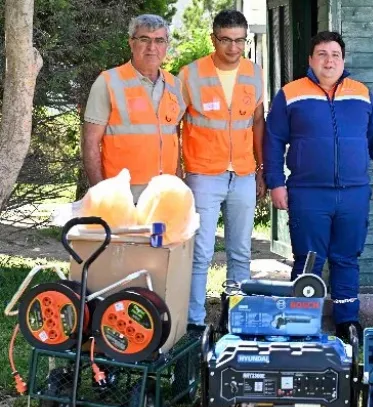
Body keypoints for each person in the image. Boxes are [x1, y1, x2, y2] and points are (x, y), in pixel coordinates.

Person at [264, 31, 373, 344]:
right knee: (308, 259)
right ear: (310, 60)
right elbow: (272, 141)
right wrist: (275, 183)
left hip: (353, 192)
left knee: (347, 257)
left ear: (343, 60)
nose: (329, 60)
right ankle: (301, 320)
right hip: (308, 193)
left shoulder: (361, 93)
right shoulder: (291, 94)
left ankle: (347, 321)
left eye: (335, 54)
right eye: (322, 54)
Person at [178, 10, 266, 331]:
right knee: (200, 253)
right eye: (226, 40)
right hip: (203, 175)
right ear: (213, 38)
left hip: (242, 174)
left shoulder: (254, 73)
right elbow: (172, 124)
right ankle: (195, 324)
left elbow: (257, 122)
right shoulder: (190, 75)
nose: (233, 47)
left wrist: (261, 168)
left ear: (246, 40)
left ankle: (238, 323)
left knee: (241, 254)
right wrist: (178, 171)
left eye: (239, 40)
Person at [82, 14, 184, 203]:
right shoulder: (108, 82)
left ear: (166, 45)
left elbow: (173, 138)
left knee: (161, 235)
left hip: (165, 196)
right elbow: (90, 143)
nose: (152, 48)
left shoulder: (174, 85)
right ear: (131, 43)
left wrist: (178, 182)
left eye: (159, 40)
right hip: (122, 196)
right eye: (144, 39)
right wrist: (100, 193)